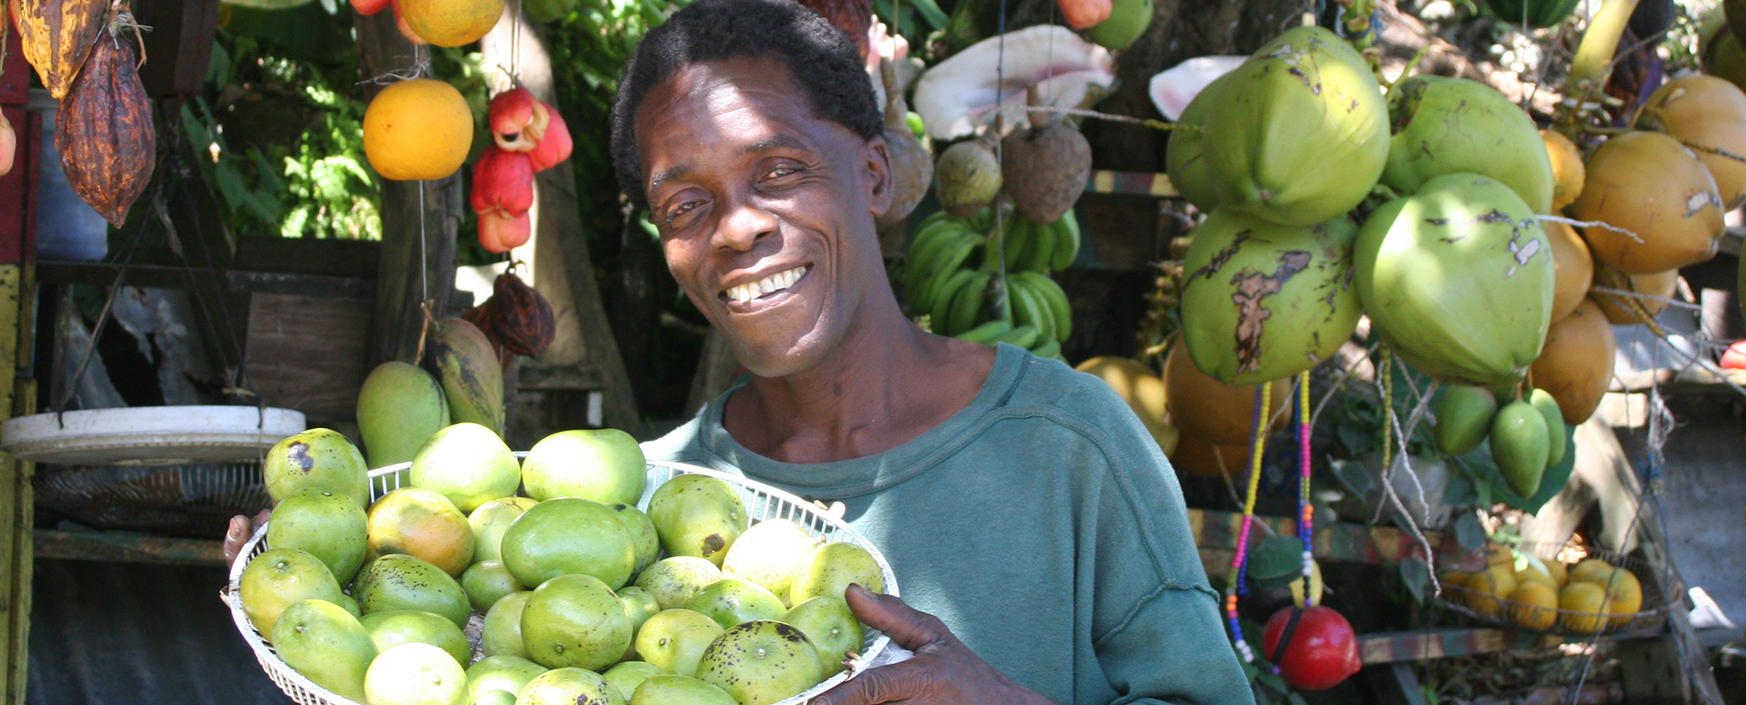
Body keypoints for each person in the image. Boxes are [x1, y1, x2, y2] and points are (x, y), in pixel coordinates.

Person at [232, 1, 1256, 702]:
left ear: (870, 171)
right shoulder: (654, 506)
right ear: (666, 246)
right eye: (687, 202)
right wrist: (303, 598)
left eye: (778, 170)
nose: (737, 227)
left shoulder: (1067, 447)